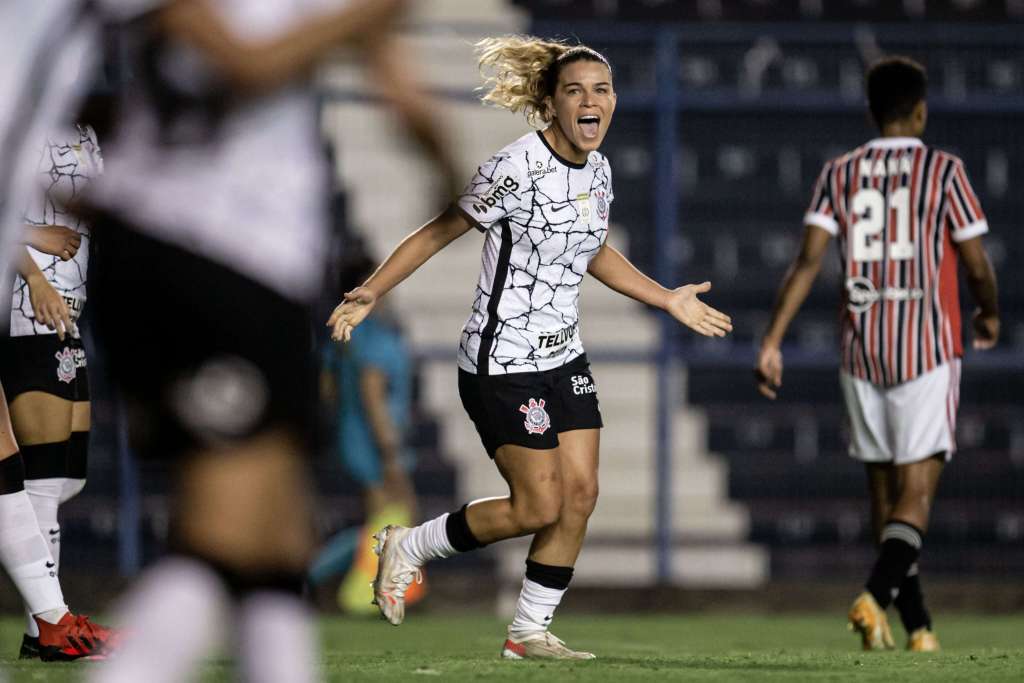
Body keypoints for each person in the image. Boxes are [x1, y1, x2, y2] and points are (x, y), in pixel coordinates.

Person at [77, 1, 456, 681]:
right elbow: (247, 64)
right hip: (204, 252)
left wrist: (446, 169)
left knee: (279, 538)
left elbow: (407, 99)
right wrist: (358, 19)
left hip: (246, 269)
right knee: (223, 529)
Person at [328, 35, 733, 659]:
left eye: (601, 90)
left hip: (563, 356)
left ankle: (527, 633)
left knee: (581, 495)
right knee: (539, 505)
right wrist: (372, 291)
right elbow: (440, 229)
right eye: (575, 91)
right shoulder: (513, 168)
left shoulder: (598, 170)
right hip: (502, 362)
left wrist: (666, 299)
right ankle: (409, 545)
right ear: (551, 104)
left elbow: (592, 248)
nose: (590, 101)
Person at [755, 56, 999, 652]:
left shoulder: (840, 172)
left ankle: (919, 628)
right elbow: (975, 262)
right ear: (920, 111)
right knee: (916, 495)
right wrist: (989, 313)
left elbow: (807, 261)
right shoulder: (944, 171)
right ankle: (873, 595)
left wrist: (772, 340)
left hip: (862, 348)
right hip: (927, 347)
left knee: (883, 495)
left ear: (870, 112)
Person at [0, 123, 112, 660]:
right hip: (27, 307)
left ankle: (46, 622)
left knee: (64, 477)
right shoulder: (20, 112)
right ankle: (48, 627)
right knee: (34, 478)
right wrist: (34, 271)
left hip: (68, 309)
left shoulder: (87, 128)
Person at [310, 248, 423, 613]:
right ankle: (324, 578)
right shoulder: (374, 332)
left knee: (382, 521)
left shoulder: (347, 331)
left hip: (354, 434)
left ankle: (371, 588)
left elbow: (327, 388)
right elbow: (372, 394)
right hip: (374, 440)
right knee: (392, 518)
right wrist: (387, 447)